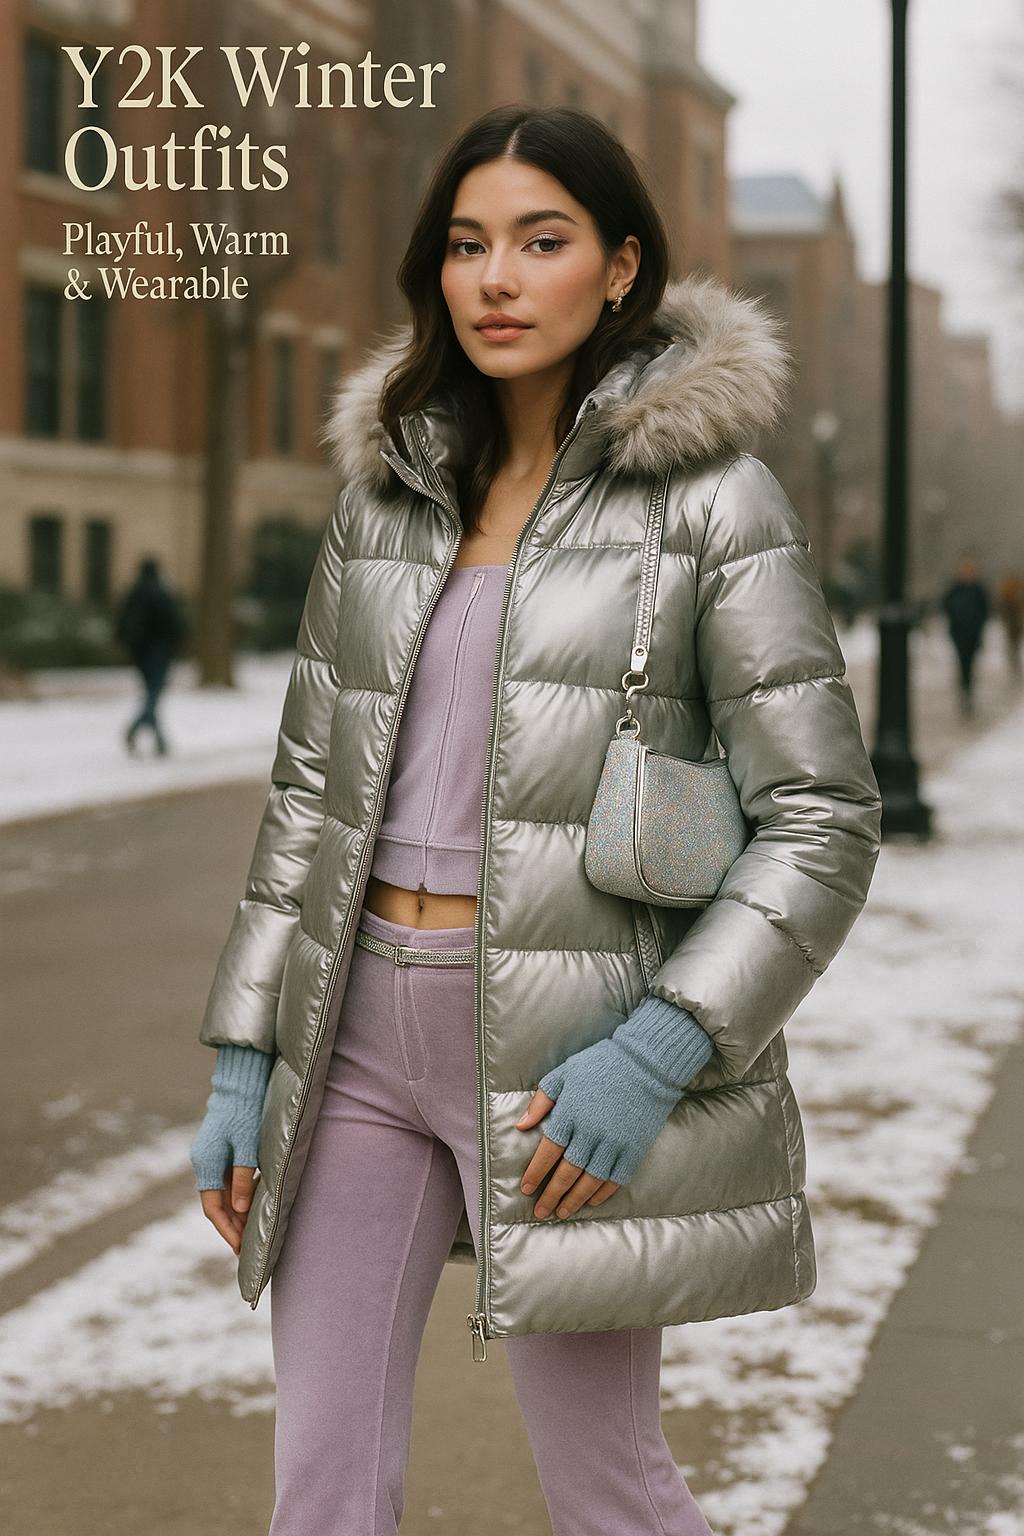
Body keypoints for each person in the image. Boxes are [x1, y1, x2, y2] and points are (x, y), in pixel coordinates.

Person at [189, 105, 882, 1535]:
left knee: (609, 1491)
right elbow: (311, 799)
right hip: (359, 1039)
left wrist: (661, 1050)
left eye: (540, 241)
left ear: (620, 268)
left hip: (575, 1062)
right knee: (319, 1490)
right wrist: (246, 1055)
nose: (496, 277)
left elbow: (820, 816)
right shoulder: (389, 489)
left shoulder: (710, 501)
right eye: (466, 244)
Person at [114, 555, 185, 755]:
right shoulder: (161, 593)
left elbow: (121, 622)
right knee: (154, 695)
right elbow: (174, 624)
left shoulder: (134, 593)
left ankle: (161, 742)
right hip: (160, 652)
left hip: (139, 653)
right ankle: (135, 728)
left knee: (151, 695)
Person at [940, 551, 990, 717]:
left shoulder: (978, 588)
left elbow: (985, 609)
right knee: (962, 663)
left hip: (973, 634)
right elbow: (945, 605)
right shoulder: (956, 588)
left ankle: (967, 689)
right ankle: (964, 689)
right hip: (959, 633)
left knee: (970, 664)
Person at [996, 570, 1023, 681]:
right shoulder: (1006, 597)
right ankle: (1014, 665)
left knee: (1014, 646)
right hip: (1012, 626)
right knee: (1012, 647)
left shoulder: (1017, 597)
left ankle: (1015, 665)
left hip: (1016, 625)